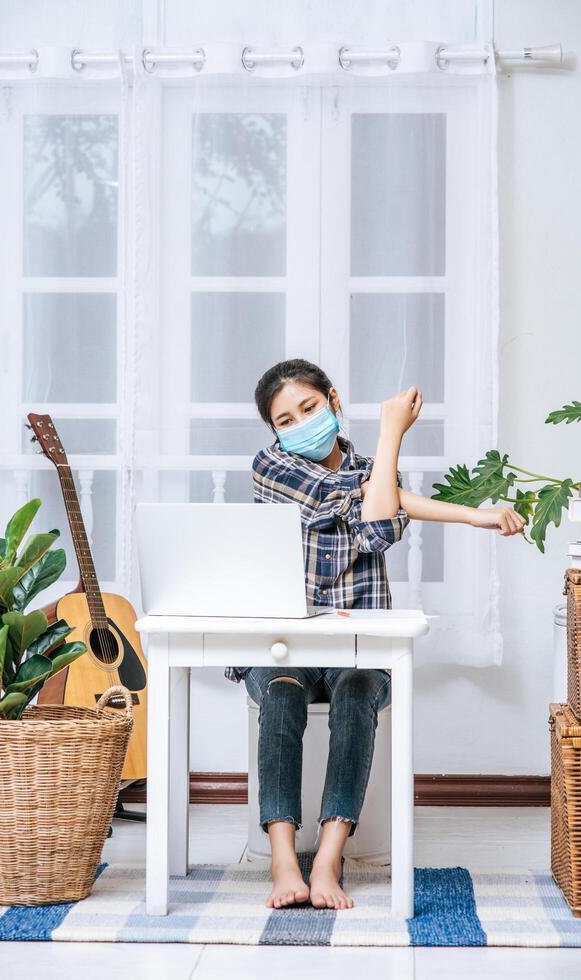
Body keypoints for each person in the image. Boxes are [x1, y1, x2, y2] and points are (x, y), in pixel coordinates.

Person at [225, 358, 525, 911]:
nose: (299, 425)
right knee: (283, 690)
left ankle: (330, 857)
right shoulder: (271, 466)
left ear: (335, 401)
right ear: (273, 432)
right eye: (285, 420)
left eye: (309, 409)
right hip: (282, 646)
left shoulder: (375, 467)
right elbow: (350, 495)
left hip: (354, 650)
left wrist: (389, 456)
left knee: (361, 688)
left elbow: (381, 527)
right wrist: (399, 445)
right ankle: (284, 859)